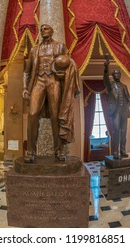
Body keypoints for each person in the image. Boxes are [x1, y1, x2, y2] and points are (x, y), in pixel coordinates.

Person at [23, 24, 80, 163]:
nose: (43, 31)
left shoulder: (60, 46)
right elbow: (27, 71)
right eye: (41, 29)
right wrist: (25, 88)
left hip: (53, 81)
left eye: (46, 28)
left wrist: (63, 75)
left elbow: (68, 64)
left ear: (52, 31)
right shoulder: (34, 49)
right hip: (39, 81)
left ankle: (59, 151)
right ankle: (31, 152)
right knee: (32, 114)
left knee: (56, 116)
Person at [103, 53, 130, 159]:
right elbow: (105, 79)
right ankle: (115, 152)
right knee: (116, 132)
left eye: (119, 73)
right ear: (113, 75)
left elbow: (128, 97)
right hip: (115, 111)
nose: (118, 75)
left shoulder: (124, 86)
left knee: (123, 132)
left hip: (124, 110)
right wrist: (106, 66)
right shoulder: (110, 85)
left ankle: (123, 151)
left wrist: (128, 105)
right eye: (115, 73)